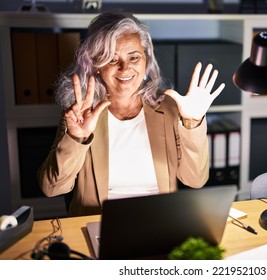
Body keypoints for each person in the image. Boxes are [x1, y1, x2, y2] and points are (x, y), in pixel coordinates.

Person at [38, 12, 225, 217]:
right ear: (96, 66)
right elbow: (52, 188)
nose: (124, 68)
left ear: (146, 60)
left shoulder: (170, 109)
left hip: (160, 221)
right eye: (111, 59)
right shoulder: (80, 115)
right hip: (98, 224)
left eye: (134, 57)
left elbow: (195, 180)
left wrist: (192, 122)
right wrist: (76, 138)